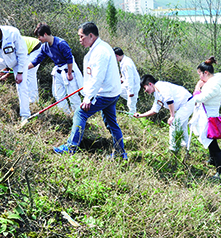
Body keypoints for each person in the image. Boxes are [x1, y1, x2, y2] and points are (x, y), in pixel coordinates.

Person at [53, 22, 126, 159]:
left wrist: (88, 98)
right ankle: (121, 154)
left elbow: (98, 78)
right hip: (111, 92)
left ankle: (71, 147)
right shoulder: (99, 48)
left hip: (105, 93)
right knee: (112, 123)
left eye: (82, 37)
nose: (80, 40)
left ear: (91, 36)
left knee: (80, 113)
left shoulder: (101, 52)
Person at [28, 23, 83, 115]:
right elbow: (37, 60)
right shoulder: (45, 47)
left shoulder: (61, 43)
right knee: (58, 95)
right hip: (58, 71)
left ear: (45, 34)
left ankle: (79, 116)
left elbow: (69, 59)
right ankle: (66, 116)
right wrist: (24, 69)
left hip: (68, 70)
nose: (39, 39)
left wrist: (69, 73)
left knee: (73, 96)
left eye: (39, 37)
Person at [133, 74, 194, 152]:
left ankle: (173, 150)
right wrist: (140, 115)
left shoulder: (161, 86)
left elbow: (169, 100)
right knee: (182, 127)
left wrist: (172, 116)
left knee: (174, 124)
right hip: (183, 106)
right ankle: (185, 148)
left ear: (150, 84)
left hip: (187, 103)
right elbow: (154, 110)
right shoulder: (157, 93)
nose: (145, 91)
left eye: (145, 88)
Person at [189, 56, 221, 179]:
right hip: (207, 116)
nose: (199, 77)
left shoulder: (213, 85)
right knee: (210, 141)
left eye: (200, 74)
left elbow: (201, 98)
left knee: (213, 144)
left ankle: (220, 171)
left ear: (206, 73)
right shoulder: (211, 83)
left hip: (209, 118)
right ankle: (212, 160)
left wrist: (197, 89)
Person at [0, 36, 42, 103]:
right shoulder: (4, 47)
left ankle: (34, 101)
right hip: (28, 50)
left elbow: (17, 65)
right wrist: (4, 71)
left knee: (29, 72)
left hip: (36, 48)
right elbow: (12, 64)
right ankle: (28, 100)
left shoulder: (9, 46)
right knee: (24, 72)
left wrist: (6, 75)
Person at [113, 47, 140, 115]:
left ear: (116, 55)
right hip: (126, 84)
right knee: (116, 89)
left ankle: (132, 119)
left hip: (132, 86)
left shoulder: (127, 63)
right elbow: (125, 76)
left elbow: (129, 78)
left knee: (131, 105)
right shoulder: (123, 61)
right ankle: (134, 99)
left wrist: (131, 91)